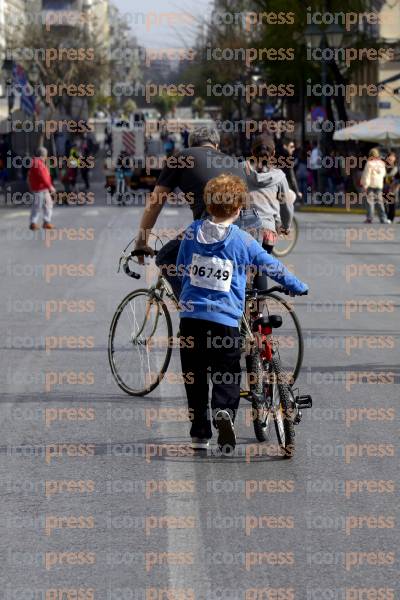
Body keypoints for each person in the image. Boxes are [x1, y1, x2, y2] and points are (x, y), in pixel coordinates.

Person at [177, 174, 308, 453]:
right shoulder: (241, 240)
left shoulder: (191, 232)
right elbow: (271, 266)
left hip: (190, 321)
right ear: (238, 209)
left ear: (208, 204)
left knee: (195, 377)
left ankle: (200, 435)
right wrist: (297, 286)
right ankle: (224, 412)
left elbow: (179, 267)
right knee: (227, 372)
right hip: (224, 323)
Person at [134, 126, 249, 297]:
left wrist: (141, 243)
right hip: (245, 226)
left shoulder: (181, 157)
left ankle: (191, 307)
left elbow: (155, 203)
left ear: (191, 145)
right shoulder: (233, 162)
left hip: (211, 227)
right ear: (216, 146)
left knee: (166, 257)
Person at [244, 135, 295, 255]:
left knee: (241, 268)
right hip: (267, 232)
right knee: (262, 268)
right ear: (273, 154)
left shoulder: (240, 169)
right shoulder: (279, 177)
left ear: (252, 152)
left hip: (244, 230)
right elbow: (286, 206)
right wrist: (286, 226)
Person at [28, 147, 56, 231]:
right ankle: (34, 223)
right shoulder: (38, 163)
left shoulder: (37, 162)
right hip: (40, 188)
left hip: (42, 188)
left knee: (48, 205)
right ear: (43, 155)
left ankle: (46, 222)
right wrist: (50, 186)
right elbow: (43, 176)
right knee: (37, 206)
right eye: (46, 155)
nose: (46, 157)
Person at [360, 147, 390, 224]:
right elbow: (384, 174)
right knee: (380, 203)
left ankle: (369, 218)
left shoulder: (369, 163)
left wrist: (365, 186)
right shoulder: (382, 163)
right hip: (379, 185)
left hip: (371, 185)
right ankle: (383, 218)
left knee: (370, 203)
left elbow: (367, 175)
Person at [277, 137, 302, 201]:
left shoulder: (278, 157)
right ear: (285, 147)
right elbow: (292, 178)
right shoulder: (288, 159)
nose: (293, 149)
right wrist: (297, 192)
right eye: (291, 147)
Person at [384, 152, 399, 223]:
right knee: (384, 203)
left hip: (393, 188)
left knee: (391, 203)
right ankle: (386, 217)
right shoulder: (384, 167)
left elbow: (398, 179)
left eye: (392, 157)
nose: (390, 159)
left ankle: (390, 218)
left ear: (395, 159)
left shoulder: (396, 168)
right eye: (389, 157)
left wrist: (396, 187)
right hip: (385, 187)